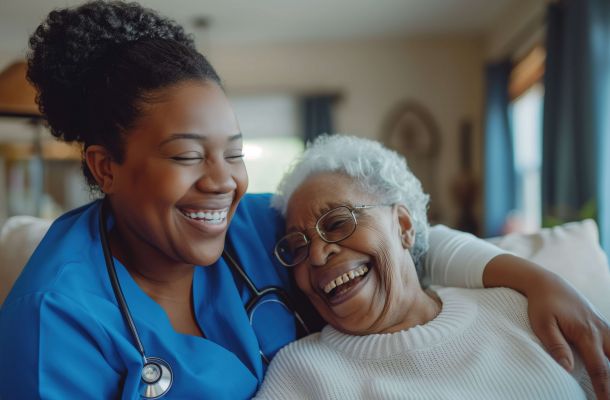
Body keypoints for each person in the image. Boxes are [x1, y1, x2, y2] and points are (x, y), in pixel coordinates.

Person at [0, 2, 607, 399]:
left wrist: (533, 278)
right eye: (187, 155)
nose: (223, 182)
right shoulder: (52, 321)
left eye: (233, 152)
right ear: (106, 167)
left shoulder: (254, 227)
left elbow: (402, 241)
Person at [255, 135, 600, 399]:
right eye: (298, 246)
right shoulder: (302, 374)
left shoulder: (522, 310)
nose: (316, 256)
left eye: (336, 223)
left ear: (403, 226)